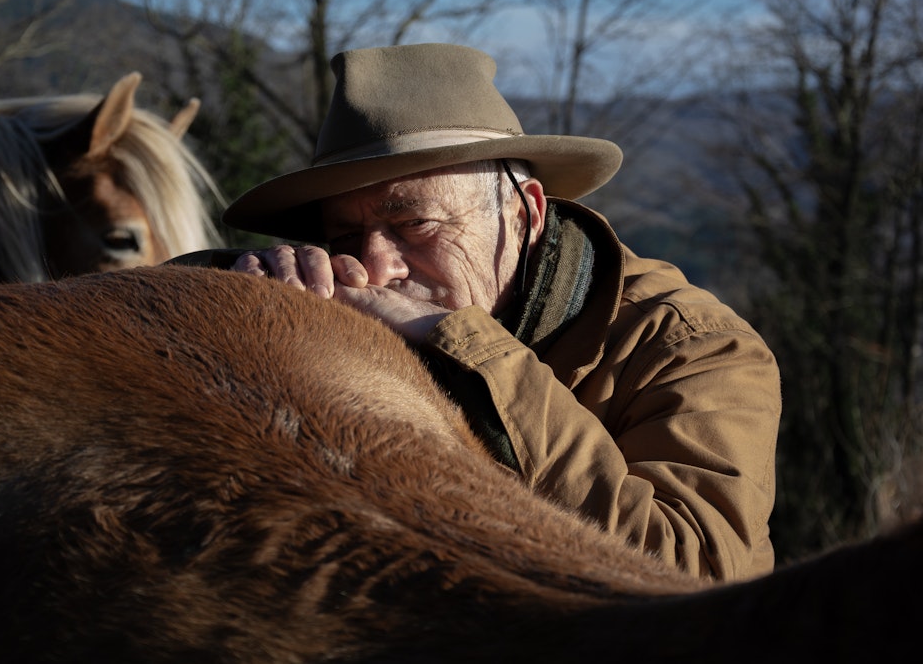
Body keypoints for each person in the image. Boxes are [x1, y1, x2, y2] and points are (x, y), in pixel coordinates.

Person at [176, 43, 781, 581]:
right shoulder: (343, 306)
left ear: (525, 213)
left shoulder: (692, 347)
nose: (376, 268)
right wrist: (241, 297)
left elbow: (690, 576)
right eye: (346, 237)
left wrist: (465, 346)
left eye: (415, 223)